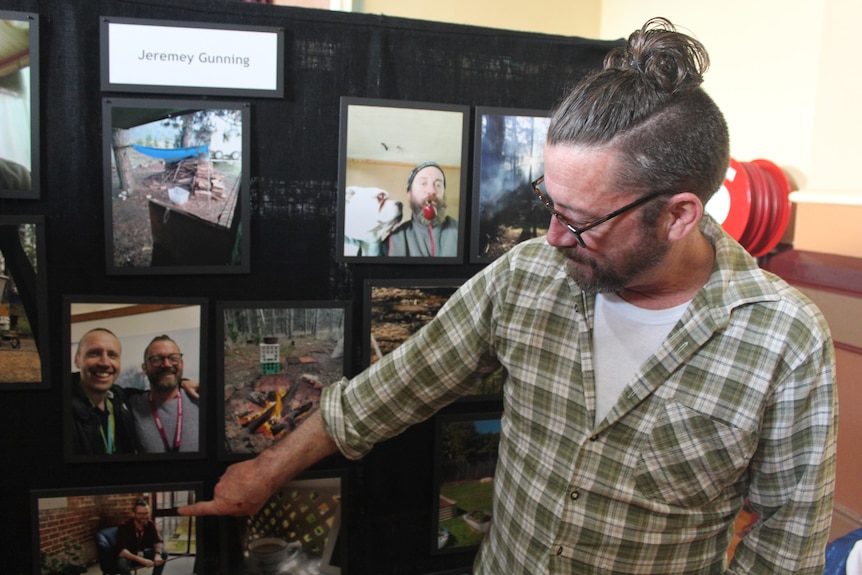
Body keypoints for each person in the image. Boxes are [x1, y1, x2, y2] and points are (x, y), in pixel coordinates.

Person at [181, 17, 837, 574]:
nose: (551, 237)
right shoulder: (527, 276)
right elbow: (389, 392)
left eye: (578, 219)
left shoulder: (783, 338)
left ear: (677, 215)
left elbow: (788, 542)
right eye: (547, 203)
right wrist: (266, 469)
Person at [70, 328, 138, 455]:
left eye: (112, 355)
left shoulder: (120, 398)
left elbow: (156, 392)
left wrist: (181, 382)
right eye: (94, 353)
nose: (105, 363)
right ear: (77, 360)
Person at [128, 335, 199, 453]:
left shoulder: (199, 399)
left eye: (173, 358)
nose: (166, 364)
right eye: (157, 359)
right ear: (145, 368)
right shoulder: (131, 405)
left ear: (181, 363)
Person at [386, 161, 459, 257]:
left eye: (438, 185)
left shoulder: (462, 231)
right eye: (423, 183)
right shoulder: (393, 240)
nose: (432, 191)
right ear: (410, 194)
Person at [115, 499, 168, 575]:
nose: (144, 516)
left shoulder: (150, 524)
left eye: (146, 513)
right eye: (140, 514)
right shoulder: (124, 526)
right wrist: (142, 560)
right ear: (133, 514)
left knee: (164, 553)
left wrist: (158, 555)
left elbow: (157, 541)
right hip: (129, 555)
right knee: (122, 563)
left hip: (141, 552)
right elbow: (122, 551)